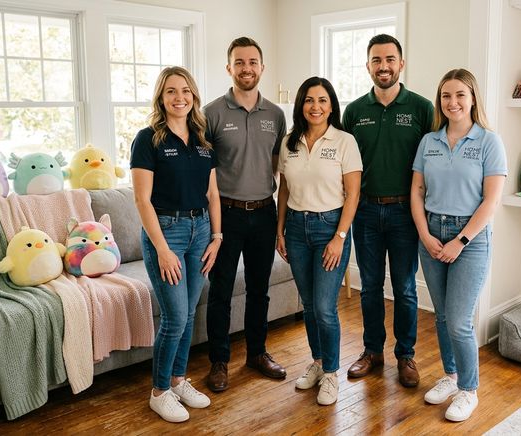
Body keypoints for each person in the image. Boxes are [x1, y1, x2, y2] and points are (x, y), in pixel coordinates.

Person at [410, 68, 507, 422]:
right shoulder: (429, 141)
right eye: (446, 96)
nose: (452, 102)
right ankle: (450, 376)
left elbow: (491, 202)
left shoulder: (488, 142)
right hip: (432, 232)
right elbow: (417, 191)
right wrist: (424, 233)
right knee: (443, 315)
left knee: (460, 321)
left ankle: (469, 389)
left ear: (472, 99)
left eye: (460, 95)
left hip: (471, 237)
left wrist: (460, 241)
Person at [130, 66, 222, 423]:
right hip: (166, 233)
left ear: (194, 96)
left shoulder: (202, 140)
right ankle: (159, 391)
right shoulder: (148, 139)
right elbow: (142, 201)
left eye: (185, 90)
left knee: (189, 312)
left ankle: (180, 381)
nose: (179, 97)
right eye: (171, 91)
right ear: (161, 97)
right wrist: (163, 249)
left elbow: (213, 193)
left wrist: (217, 236)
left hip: (201, 231)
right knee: (174, 317)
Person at [341, 34, 434, 387]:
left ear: (401, 64)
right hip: (364, 211)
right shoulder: (354, 111)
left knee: (406, 288)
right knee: (369, 287)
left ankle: (406, 356)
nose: (384, 66)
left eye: (390, 59)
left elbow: (434, 160)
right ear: (368, 66)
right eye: (377, 60)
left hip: (405, 213)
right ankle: (372, 351)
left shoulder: (422, 108)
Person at [203, 36, 288, 392]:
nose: (246, 68)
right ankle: (219, 362)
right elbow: (204, 169)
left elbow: (277, 165)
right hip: (227, 213)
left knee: (259, 288)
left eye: (252, 62)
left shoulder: (276, 114)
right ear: (229, 68)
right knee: (221, 290)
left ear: (262, 67)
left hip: (264, 212)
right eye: (239, 62)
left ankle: (257, 353)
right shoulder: (211, 113)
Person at [276, 77, 362, 405]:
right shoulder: (289, 143)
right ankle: (317, 361)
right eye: (310, 100)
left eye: (323, 100)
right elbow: (283, 189)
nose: (316, 107)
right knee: (309, 304)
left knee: (326, 308)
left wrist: (340, 237)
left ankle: (331, 374)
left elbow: (353, 194)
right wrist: (280, 230)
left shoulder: (344, 141)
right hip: (296, 228)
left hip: (330, 227)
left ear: (331, 105)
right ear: (301, 105)